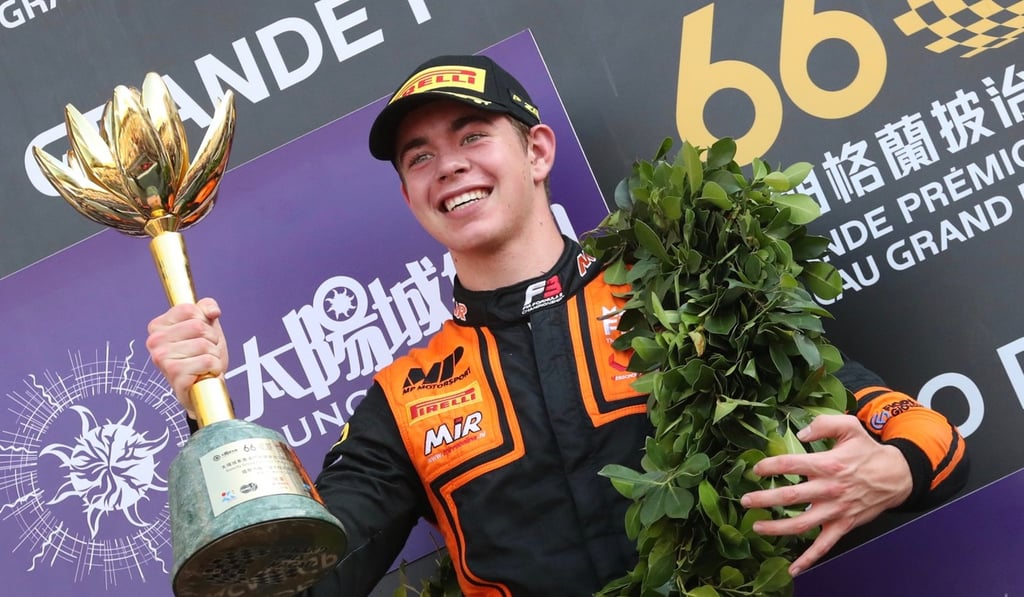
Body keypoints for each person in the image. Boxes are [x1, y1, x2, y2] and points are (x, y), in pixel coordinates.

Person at [146, 54, 969, 596]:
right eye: (420, 157)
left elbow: (921, 428)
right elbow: (303, 576)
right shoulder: (402, 398)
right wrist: (208, 415)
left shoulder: (684, 293)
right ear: (409, 197)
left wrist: (897, 467)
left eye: (473, 136)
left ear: (537, 150)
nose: (451, 165)